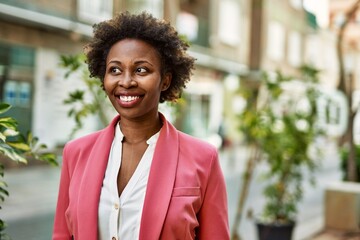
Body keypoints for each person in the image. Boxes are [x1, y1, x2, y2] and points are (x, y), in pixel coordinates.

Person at [52, 11, 229, 240]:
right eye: (115, 70)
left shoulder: (203, 158)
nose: (126, 81)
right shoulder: (76, 153)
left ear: (165, 80)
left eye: (141, 70)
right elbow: (62, 235)